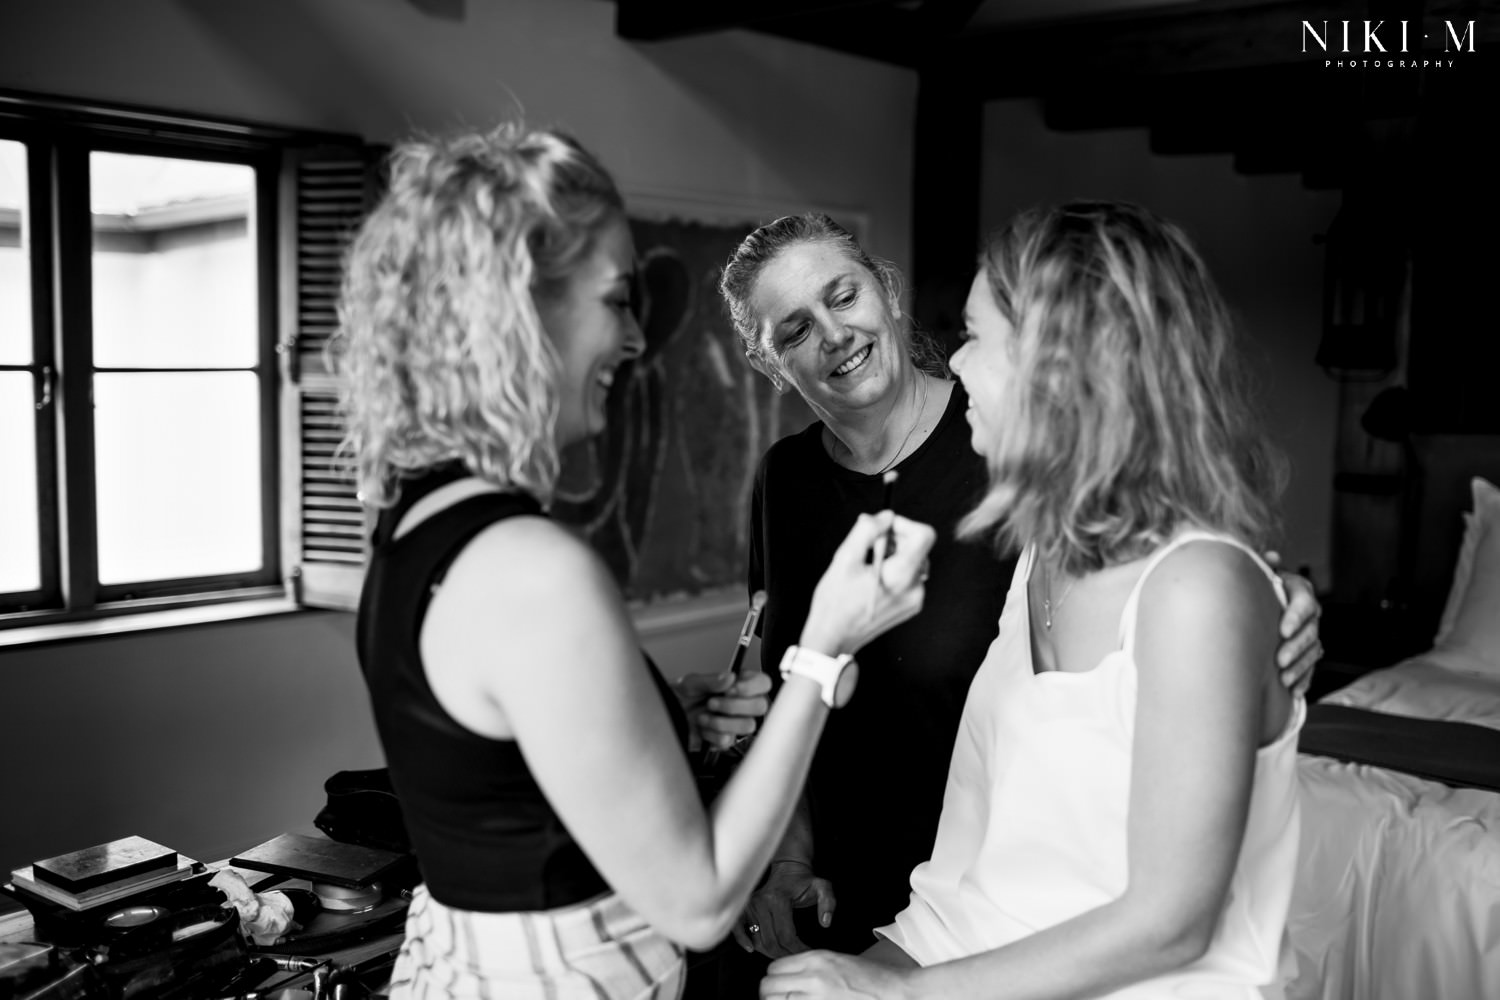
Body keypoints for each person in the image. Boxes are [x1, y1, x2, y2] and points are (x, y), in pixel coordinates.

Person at [328, 123, 936, 999]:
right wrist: (821, 652)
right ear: (520, 311)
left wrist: (667, 718)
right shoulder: (533, 568)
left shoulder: (418, 517)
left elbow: (523, 776)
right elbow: (696, 901)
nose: (636, 341)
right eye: (616, 301)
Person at [712, 213, 1323, 975]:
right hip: (926, 920)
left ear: (1060, 366)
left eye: (974, 335)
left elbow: (1169, 919)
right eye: (796, 330)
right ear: (771, 364)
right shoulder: (1038, 548)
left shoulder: (1172, 577)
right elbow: (986, 884)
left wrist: (1266, 599)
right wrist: (859, 956)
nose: (957, 361)